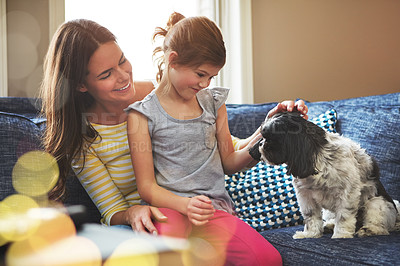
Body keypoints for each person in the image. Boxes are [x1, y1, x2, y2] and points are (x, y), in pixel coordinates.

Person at [40, 18, 307, 254]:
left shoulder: (154, 93)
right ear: (81, 85)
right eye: (107, 74)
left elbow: (211, 148)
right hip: (148, 217)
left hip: (198, 206)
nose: (123, 76)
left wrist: (270, 126)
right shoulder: (83, 140)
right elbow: (111, 210)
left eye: (122, 60)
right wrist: (134, 211)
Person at [125, 12, 307, 265]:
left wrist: (270, 127)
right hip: (170, 210)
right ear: (172, 60)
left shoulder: (213, 103)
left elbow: (230, 162)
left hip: (213, 211)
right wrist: (186, 205)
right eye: (201, 74)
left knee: (267, 259)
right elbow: (147, 187)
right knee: (169, 258)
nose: (205, 83)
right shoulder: (141, 115)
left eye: (211, 77)